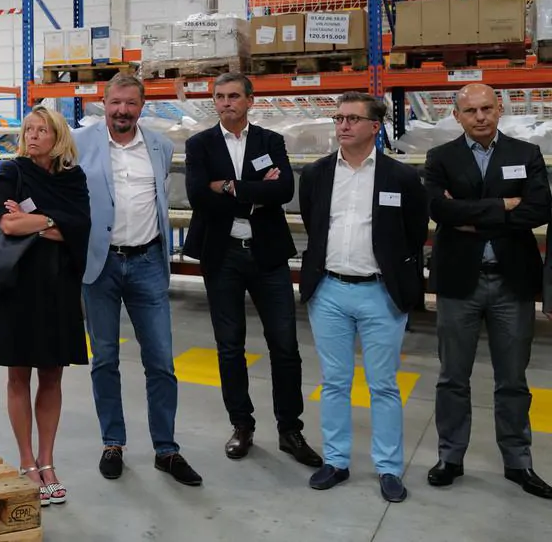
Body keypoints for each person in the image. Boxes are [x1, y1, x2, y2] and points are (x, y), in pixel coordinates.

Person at [182, 72, 320, 468]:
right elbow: (197, 196)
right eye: (219, 97)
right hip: (222, 254)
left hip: (267, 254)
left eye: (233, 96)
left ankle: (290, 430)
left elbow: (284, 190)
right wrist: (257, 192)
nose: (226, 103)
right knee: (230, 347)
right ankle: (241, 425)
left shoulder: (270, 141)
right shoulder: (199, 144)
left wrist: (228, 186)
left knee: (285, 345)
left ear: (249, 100)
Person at [422, 83, 552, 499]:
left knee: (512, 379)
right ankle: (450, 456)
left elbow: (539, 209)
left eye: (486, 108)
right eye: (470, 111)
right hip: (459, 281)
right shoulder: (440, 157)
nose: (479, 117)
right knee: (452, 377)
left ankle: (518, 461)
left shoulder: (526, 154)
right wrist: (504, 206)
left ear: (499, 110)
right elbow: (438, 209)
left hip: (512, 281)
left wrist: (469, 216)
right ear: (456, 116)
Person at [297, 92, 428, 503]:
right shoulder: (316, 174)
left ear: (375, 126)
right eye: (338, 118)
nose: (343, 125)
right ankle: (336, 461)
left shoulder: (401, 177)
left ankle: (388, 467)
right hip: (329, 291)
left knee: (383, 385)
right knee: (334, 382)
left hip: (380, 293)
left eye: (352, 119)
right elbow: (313, 223)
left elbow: (414, 232)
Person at [72, 73, 202, 487]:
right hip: (101, 265)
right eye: (115, 103)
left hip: (147, 262)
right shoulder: (79, 143)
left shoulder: (160, 146)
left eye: (130, 103)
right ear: (104, 103)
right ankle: (113, 443)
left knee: (161, 361)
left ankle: (166, 449)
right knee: (104, 358)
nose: (122, 111)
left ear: (142, 107)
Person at [0, 105, 91, 507]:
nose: (33, 135)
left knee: (52, 376)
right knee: (18, 377)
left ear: (58, 137)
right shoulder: (10, 172)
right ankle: (27, 462)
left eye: (42, 130)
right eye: (28, 129)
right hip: (18, 286)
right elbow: (8, 224)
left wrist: (39, 221)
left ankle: (48, 461)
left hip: (59, 286)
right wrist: (54, 222)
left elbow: (81, 228)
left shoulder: (73, 178)